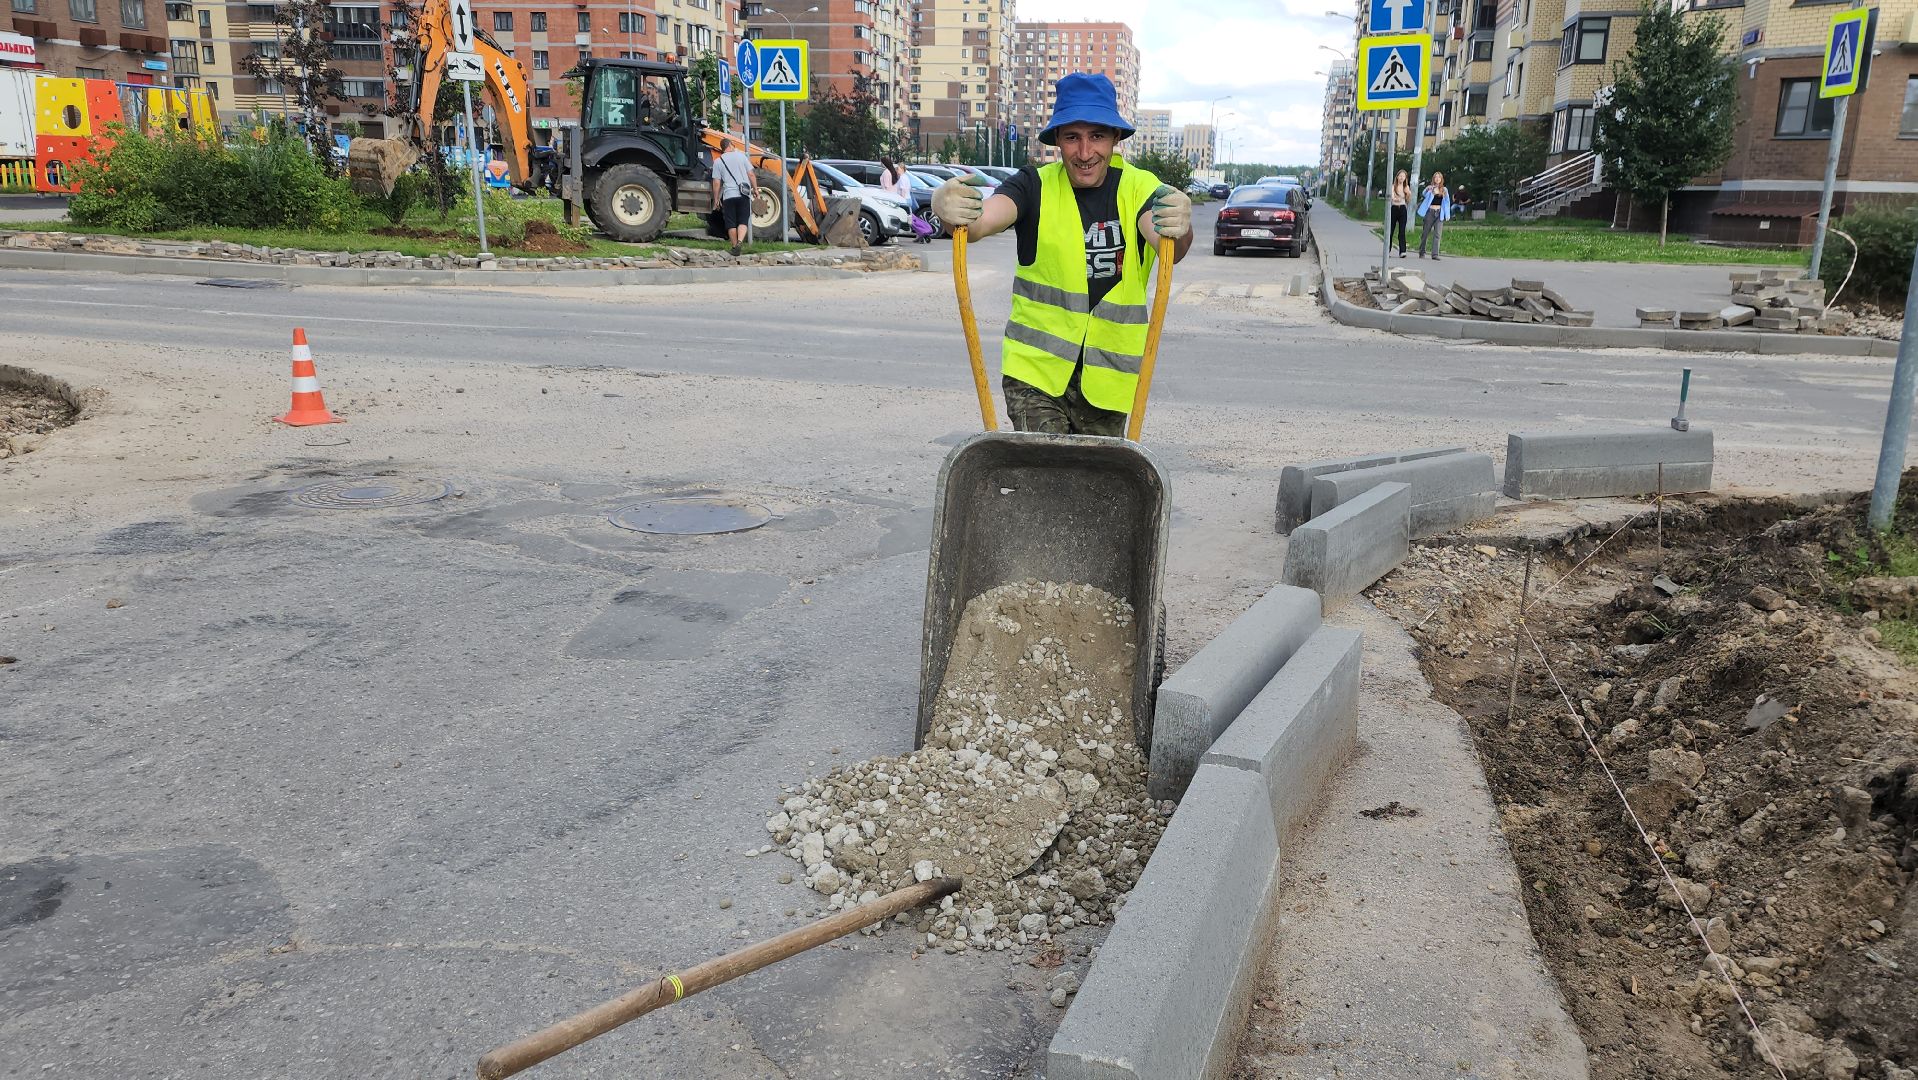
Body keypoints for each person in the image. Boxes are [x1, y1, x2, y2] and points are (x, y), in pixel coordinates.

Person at [929, 72, 1191, 437]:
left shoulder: (1140, 188)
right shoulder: (1032, 185)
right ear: (1057, 141)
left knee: (1094, 486)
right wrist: (950, 209)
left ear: (1116, 138)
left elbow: (1168, 245)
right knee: (1046, 471)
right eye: (1072, 138)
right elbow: (980, 222)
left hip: (1107, 382)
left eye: (1097, 136)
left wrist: (1178, 225)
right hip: (1035, 375)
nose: (1085, 153)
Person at [711, 143, 755, 257]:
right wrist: (755, 189)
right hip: (743, 194)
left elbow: (716, 182)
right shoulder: (741, 156)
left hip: (728, 196)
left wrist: (716, 199)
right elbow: (751, 174)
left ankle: (735, 247)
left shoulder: (718, 161)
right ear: (730, 145)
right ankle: (740, 242)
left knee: (731, 223)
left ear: (722, 148)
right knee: (743, 221)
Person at [1416, 171, 1451, 260]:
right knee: (1425, 233)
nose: (1437, 179)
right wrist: (1430, 190)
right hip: (1430, 212)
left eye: (1439, 177)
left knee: (1437, 234)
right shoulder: (1430, 188)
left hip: (1439, 213)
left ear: (1441, 179)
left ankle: (1435, 254)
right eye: (1436, 177)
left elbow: (1447, 202)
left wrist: (1447, 214)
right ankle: (1422, 252)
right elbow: (1424, 194)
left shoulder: (1444, 190)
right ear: (1433, 179)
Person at [1389, 169, 1411, 257]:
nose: (1401, 178)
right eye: (1400, 176)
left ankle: (1402, 251)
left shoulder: (1406, 187)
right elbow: (1391, 197)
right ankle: (1387, 250)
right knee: (1390, 230)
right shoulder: (1393, 186)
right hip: (1394, 208)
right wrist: (1394, 199)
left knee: (1402, 231)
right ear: (1397, 177)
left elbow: (1408, 200)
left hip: (1402, 208)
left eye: (1403, 176)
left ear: (1405, 178)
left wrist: (1408, 193)